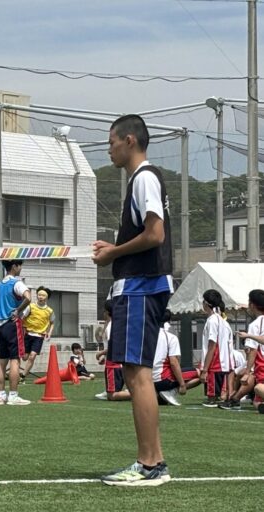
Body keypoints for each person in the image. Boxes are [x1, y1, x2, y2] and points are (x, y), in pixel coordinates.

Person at [92, 114, 173, 486]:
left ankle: (149, 463)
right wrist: (116, 249)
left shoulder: (144, 179)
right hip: (138, 285)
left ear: (128, 140)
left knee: (138, 374)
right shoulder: (141, 182)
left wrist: (113, 254)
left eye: (111, 141)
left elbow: (154, 234)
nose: (108, 148)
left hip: (142, 286)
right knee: (134, 373)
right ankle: (152, 461)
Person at [0, 260, 32, 406]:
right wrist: (17, 311)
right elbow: (28, 297)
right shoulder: (17, 283)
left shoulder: (0, 284)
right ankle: (13, 395)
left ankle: (1, 396)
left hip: (0, 326)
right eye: (20, 266)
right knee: (15, 360)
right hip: (12, 325)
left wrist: (1, 308)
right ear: (14, 266)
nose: (20, 269)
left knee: (2, 361)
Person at [152, 310, 200, 407]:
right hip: (163, 380)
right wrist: (182, 385)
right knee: (201, 374)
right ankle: (172, 391)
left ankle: (160, 394)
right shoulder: (170, 337)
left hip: (148, 380)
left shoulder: (148, 336)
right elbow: (174, 363)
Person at [199, 289, 234, 408]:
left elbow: (212, 345)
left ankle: (213, 398)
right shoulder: (222, 321)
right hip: (222, 361)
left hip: (216, 361)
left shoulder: (213, 320)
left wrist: (205, 369)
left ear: (206, 304)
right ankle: (218, 396)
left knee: (212, 393)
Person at [95, 300, 130, 402]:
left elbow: (114, 345)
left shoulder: (112, 326)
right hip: (120, 362)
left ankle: (138, 393)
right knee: (114, 391)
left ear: (107, 312)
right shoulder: (120, 323)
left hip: (113, 364)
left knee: (112, 396)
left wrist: (101, 353)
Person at [237, 289, 264, 412]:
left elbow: (252, 350)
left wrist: (247, 372)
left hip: (262, 364)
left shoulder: (255, 324)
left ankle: (233, 399)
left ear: (252, 305)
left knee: (259, 388)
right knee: (257, 401)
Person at [19, 286, 54, 382]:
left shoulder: (49, 311)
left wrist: (49, 333)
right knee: (25, 357)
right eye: (39, 295)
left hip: (39, 336)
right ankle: (16, 372)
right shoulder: (30, 306)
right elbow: (22, 318)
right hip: (28, 334)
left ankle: (23, 376)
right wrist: (21, 330)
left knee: (32, 355)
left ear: (47, 297)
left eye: (43, 295)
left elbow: (52, 323)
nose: (41, 297)